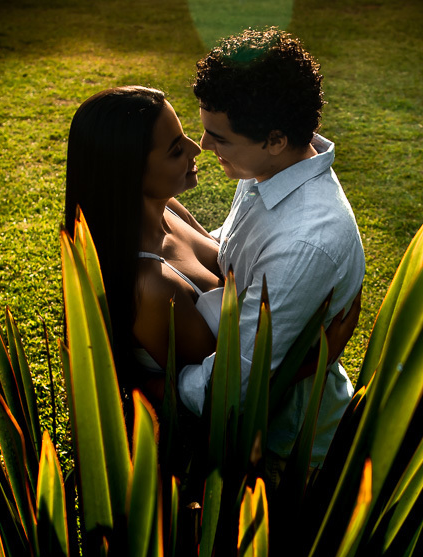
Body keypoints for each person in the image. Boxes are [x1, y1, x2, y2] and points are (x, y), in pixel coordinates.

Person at [178, 28, 366, 467]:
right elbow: (232, 250)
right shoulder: (267, 170)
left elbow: (231, 389)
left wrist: (149, 379)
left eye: (220, 137)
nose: (203, 145)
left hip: (285, 454)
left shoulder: (305, 243)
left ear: (276, 140)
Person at [64, 86, 223, 384]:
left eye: (183, 137)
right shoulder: (153, 288)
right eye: (176, 150)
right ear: (130, 172)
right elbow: (226, 387)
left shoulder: (168, 208)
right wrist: (316, 357)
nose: (195, 148)